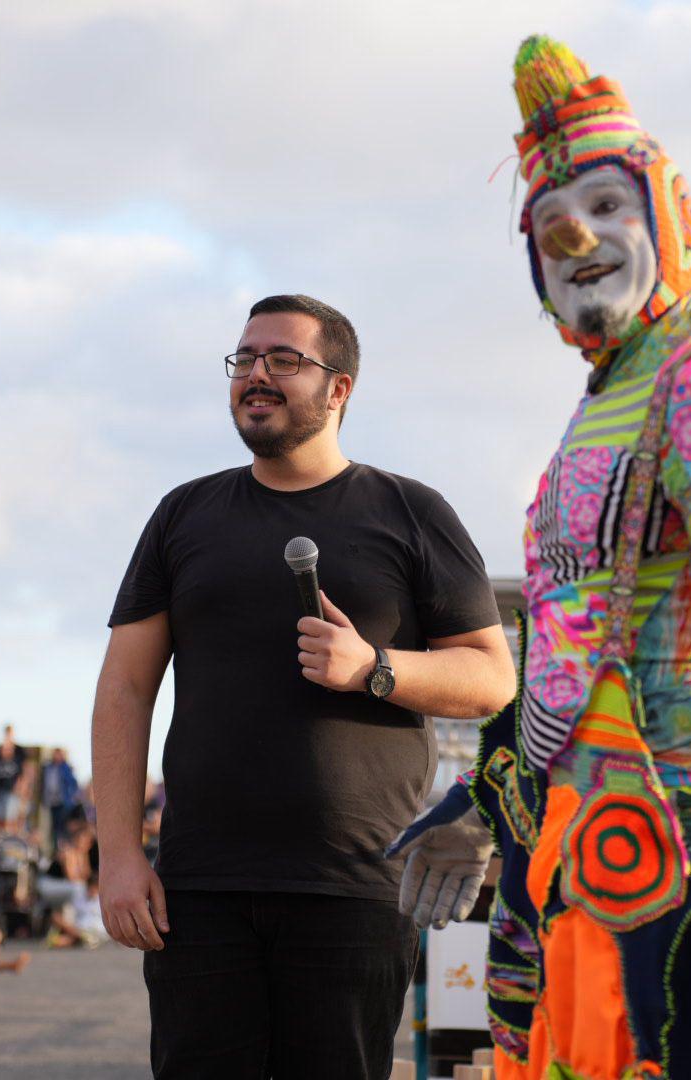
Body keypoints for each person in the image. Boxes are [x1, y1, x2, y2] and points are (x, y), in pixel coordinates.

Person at [391, 38, 691, 1080]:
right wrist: (486, 807)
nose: (576, 234)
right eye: (551, 221)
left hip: (687, 847)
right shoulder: (604, 403)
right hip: (581, 853)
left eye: (607, 205)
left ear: (672, 218)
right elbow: (569, 648)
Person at [93, 294, 515, 1078]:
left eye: (283, 360)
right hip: (200, 890)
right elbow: (123, 689)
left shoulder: (411, 512)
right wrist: (117, 855)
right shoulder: (183, 515)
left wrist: (375, 668)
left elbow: (491, 677)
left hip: (355, 887)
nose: (256, 374)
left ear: (339, 388)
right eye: (245, 359)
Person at [0, 727, 25, 826]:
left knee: (11, 816)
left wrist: (21, 788)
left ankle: (8, 833)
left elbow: (24, 772)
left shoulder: (19, 751)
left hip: (12, 790)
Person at [40, 748, 79, 847]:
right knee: (54, 827)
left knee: (61, 826)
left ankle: (60, 846)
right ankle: (54, 847)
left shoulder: (66, 768)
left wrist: (70, 797)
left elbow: (73, 784)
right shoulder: (48, 767)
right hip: (52, 801)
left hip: (63, 802)